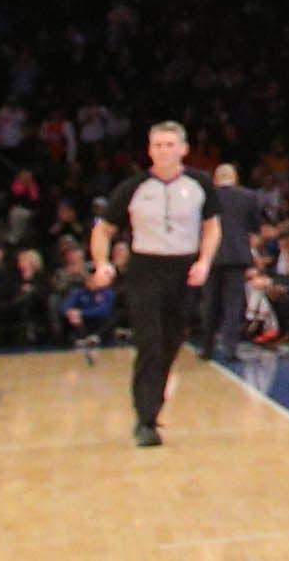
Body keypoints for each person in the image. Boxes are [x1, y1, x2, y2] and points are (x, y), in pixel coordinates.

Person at [87, 120, 221, 446]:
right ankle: (145, 420)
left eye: (170, 144)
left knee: (171, 343)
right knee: (149, 342)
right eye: (158, 145)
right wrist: (103, 263)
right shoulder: (133, 187)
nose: (164, 150)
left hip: (184, 270)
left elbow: (212, 227)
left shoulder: (200, 184)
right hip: (145, 269)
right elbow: (103, 229)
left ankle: (153, 406)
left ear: (183, 149)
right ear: (150, 150)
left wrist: (204, 262)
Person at [200, 161, 264, 362]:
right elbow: (255, 225)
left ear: (216, 179)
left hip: (212, 254)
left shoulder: (206, 196)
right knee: (233, 303)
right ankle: (230, 349)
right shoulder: (248, 197)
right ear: (235, 178)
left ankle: (207, 348)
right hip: (237, 255)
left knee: (210, 302)